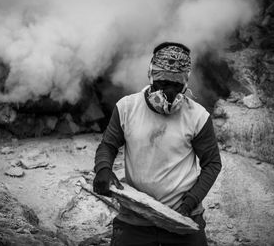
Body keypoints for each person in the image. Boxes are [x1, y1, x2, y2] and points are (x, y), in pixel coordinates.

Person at [93, 42, 222, 246]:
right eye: (162, 84)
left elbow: (212, 163)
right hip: (135, 218)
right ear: (151, 76)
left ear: (186, 82)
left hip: (184, 218)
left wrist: (190, 202)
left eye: (176, 86)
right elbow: (108, 146)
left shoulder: (198, 116)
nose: (169, 93)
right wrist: (103, 169)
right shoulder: (127, 107)